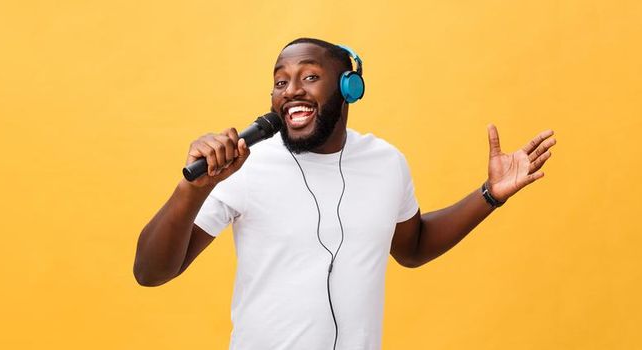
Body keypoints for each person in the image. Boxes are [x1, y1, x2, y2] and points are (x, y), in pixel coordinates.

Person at [132, 37, 557, 349]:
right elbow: (151, 272)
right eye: (280, 82)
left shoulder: (386, 162)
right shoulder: (246, 166)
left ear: (349, 88)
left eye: (310, 77)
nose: (291, 90)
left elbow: (413, 247)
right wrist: (191, 191)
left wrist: (489, 194)